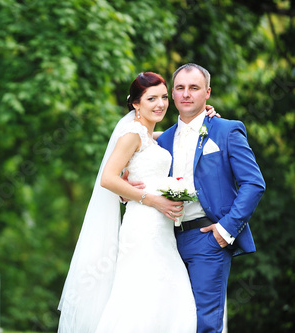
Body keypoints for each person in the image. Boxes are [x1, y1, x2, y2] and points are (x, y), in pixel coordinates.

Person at [57, 72, 218, 333]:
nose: (160, 104)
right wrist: (153, 200)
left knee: (163, 294)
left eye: (164, 97)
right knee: (143, 294)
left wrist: (204, 116)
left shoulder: (150, 136)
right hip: (144, 226)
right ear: (136, 104)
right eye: (151, 98)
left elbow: (181, 134)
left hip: (161, 228)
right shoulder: (132, 134)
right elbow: (108, 178)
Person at [152, 63, 265, 333]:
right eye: (180, 88)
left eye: (194, 88)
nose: (186, 94)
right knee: (172, 321)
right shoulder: (162, 140)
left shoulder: (227, 131)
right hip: (165, 241)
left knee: (204, 324)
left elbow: (254, 183)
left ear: (207, 93)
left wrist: (225, 230)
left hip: (207, 238)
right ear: (172, 94)